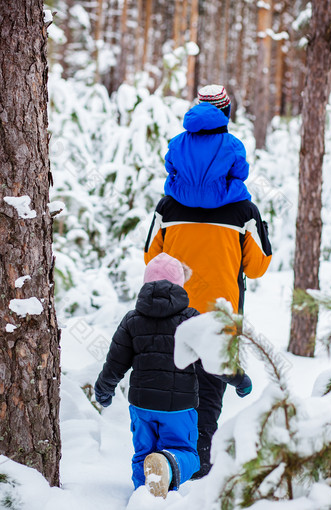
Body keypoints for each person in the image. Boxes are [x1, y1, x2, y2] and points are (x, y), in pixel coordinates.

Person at [144, 84, 272, 478]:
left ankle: (164, 460)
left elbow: (151, 259)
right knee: (210, 386)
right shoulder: (243, 210)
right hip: (220, 315)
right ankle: (197, 461)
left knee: (173, 384)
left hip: (170, 314)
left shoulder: (167, 205)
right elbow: (257, 267)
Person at [94, 253, 252, 498]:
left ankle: (143, 498)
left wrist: (104, 389)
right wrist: (240, 380)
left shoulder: (131, 320)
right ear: (180, 284)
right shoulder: (190, 319)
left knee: (143, 455)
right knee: (186, 454)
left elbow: (115, 363)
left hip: (141, 405)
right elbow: (215, 359)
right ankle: (167, 467)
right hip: (179, 407)